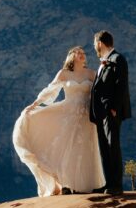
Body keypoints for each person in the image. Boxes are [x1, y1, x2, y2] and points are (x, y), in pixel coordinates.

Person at [12, 46, 105, 196]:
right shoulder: (64, 73)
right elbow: (50, 91)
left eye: (83, 53)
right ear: (71, 56)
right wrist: (35, 105)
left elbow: (102, 92)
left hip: (86, 116)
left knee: (86, 149)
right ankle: (66, 184)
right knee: (68, 149)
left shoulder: (91, 73)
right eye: (78, 53)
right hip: (67, 115)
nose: (82, 55)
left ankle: (86, 185)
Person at [89, 30, 131, 195]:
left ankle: (116, 185)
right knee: (104, 148)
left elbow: (121, 85)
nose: (95, 47)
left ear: (100, 43)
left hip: (111, 112)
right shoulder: (104, 62)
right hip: (101, 113)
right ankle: (108, 183)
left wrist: (114, 108)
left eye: (95, 45)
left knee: (113, 146)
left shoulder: (118, 59)